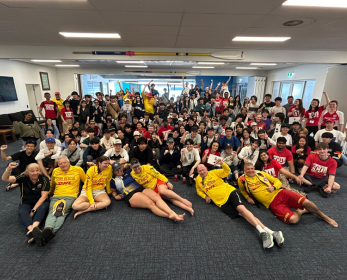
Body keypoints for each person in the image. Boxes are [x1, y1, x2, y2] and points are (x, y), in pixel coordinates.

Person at [196, 158, 283, 249]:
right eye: (199, 171)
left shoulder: (214, 172)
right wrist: (205, 197)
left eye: (203, 170)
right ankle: (272, 232)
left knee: (241, 209)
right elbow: (199, 191)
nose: (202, 172)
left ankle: (262, 232)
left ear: (206, 168)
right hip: (221, 203)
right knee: (242, 213)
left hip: (229, 192)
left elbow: (227, 171)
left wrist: (222, 163)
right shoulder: (198, 180)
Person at [239, 162, 337, 227]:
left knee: (306, 202)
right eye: (248, 169)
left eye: (252, 168)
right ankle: (300, 211)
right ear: (244, 170)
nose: (251, 170)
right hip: (272, 204)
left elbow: (277, 181)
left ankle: (323, 216)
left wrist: (273, 187)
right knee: (293, 220)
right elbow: (242, 191)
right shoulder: (241, 180)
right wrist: (247, 197)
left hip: (281, 192)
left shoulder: (261, 174)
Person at [31, 156, 86, 246]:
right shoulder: (56, 171)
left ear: (69, 162)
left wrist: (85, 195)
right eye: (60, 163)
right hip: (56, 196)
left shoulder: (78, 169)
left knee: (60, 212)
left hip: (70, 196)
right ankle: (47, 232)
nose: (62, 165)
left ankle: (47, 231)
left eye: (64, 162)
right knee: (52, 212)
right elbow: (52, 184)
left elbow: (86, 181)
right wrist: (48, 194)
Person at [111, 162, 185, 221]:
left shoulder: (129, 171)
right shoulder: (113, 180)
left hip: (141, 188)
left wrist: (127, 164)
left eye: (120, 168)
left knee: (157, 198)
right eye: (116, 169)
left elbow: (135, 165)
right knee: (151, 203)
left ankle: (172, 213)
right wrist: (115, 196)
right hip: (130, 194)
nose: (119, 170)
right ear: (114, 171)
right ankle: (171, 216)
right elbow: (113, 191)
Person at [2, 162, 49, 244]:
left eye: (37, 170)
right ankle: (34, 231)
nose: (35, 173)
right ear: (27, 172)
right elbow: (5, 179)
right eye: (32, 171)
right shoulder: (23, 177)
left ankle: (33, 229)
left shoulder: (44, 179)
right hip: (26, 201)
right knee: (21, 212)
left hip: (41, 201)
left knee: (42, 208)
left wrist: (34, 210)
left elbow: (43, 197)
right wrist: (9, 168)